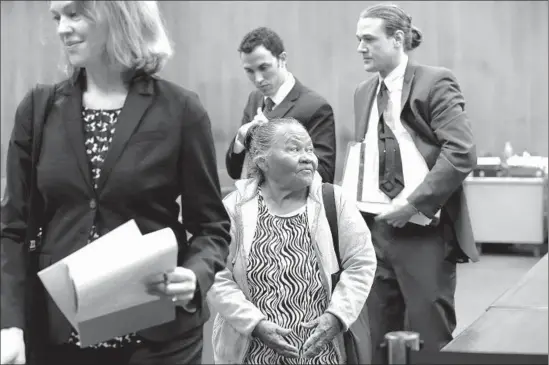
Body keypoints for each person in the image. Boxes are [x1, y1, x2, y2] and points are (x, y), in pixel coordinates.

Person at [0, 1, 230, 364]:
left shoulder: (181, 109)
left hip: (158, 342)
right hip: (58, 340)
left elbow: (212, 227)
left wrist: (194, 274)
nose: (62, 28)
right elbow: (11, 228)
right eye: (57, 17)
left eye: (76, 13)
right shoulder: (38, 108)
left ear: (120, 14)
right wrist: (10, 326)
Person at [351, 3, 479, 362]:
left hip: (424, 232)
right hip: (376, 231)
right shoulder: (362, 92)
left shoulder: (435, 81)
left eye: (368, 39)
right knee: (378, 338)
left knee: (427, 340)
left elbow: (461, 153)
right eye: (358, 39)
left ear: (397, 39)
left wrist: (413, 204)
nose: (360, 47)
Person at [208, 117, 377, 364]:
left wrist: (337, 316)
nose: (307, 157)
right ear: (262, 161)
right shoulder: (234, 208)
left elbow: (361, 262)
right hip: (251, 353)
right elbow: (216, 274)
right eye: (294, 149)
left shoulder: (334, 201)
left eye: (309, 149)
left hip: (321, 353)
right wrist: (254, 323)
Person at [225, 27, 337, 184]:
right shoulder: (255, 98)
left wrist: (274, 140)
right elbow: (234, 171)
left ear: (282, 59)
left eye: (264, 68)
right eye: (249, 71)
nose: (258, 79)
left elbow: (324, 175)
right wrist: (240, 140)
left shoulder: (316, 107)